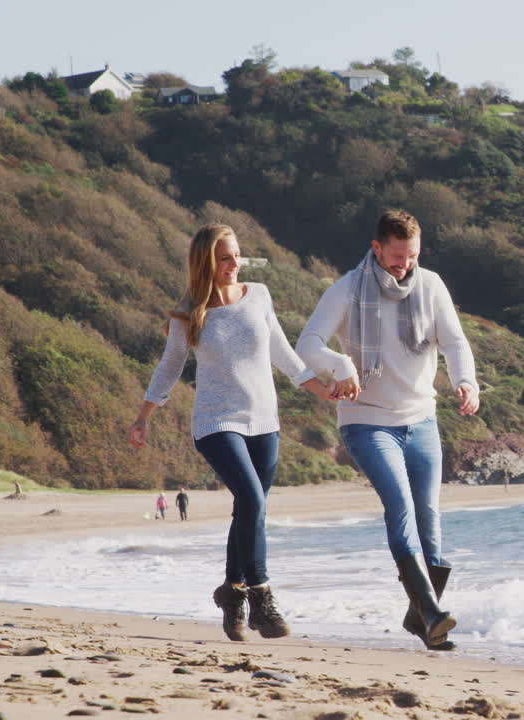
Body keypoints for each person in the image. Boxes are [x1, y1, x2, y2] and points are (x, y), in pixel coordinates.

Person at [127, 223, 335, 642]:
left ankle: (231, 592)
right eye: (224, 258)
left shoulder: (257, 295)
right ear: (206, 262)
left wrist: (324, 390)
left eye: (237, 255)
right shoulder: (190, 313)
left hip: (264, 421)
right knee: (253, 499)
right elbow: (170, 367)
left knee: (248, 509)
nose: (234, 264)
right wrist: (144, 415)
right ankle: (262, 596)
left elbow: (283, 354)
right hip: (216, 422)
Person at [296, 209, 479, 650]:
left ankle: (422, 621)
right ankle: (431, 611)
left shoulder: (430, 285)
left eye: (412, 256)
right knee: (400, 507)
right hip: (367, 419)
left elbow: (454, 341)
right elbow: (307, 344)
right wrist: (340, 364)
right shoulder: (346, 290)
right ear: (377, 248)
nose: (404, 266)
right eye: (396, 258)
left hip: (422, 418)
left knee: (429, 518)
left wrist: (466, 380)